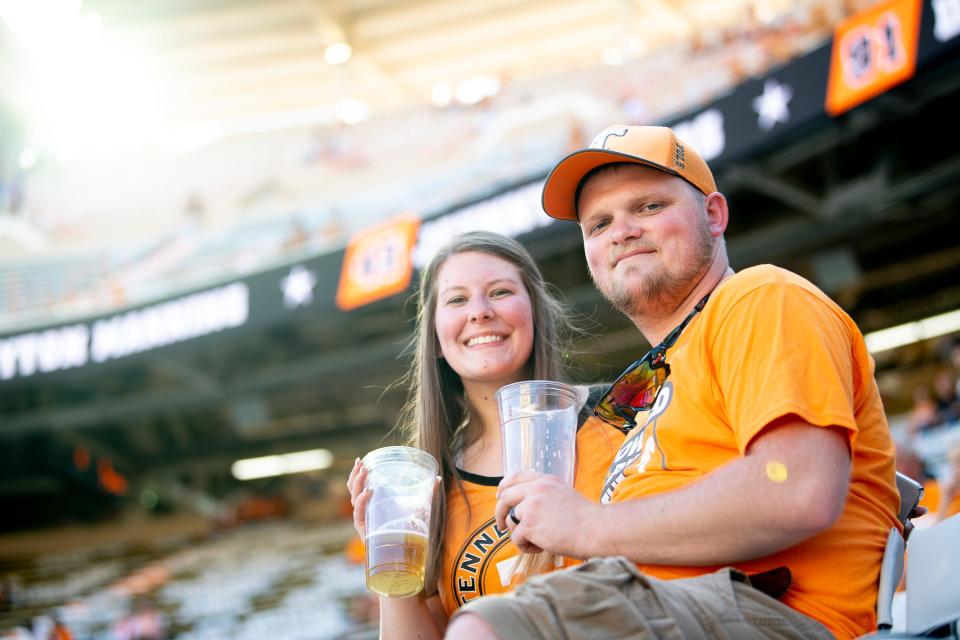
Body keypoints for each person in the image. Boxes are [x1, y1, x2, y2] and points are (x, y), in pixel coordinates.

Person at [447, 125, 902, 640]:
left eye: (648, 207)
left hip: (775, 613)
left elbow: (798, 487)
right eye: (599, 224)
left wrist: (588, 525)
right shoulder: (653, 384)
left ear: (714, 215)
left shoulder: (759, 297)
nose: (621, 232)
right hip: (680, 606)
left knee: (489, 630)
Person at [346, 231, 623, 638]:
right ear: (437, 340)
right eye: (457, 299)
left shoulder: (621, 414)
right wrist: (388, 555)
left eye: (500, 291)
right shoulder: (428, 488)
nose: (479, 312)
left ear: (534, 313)